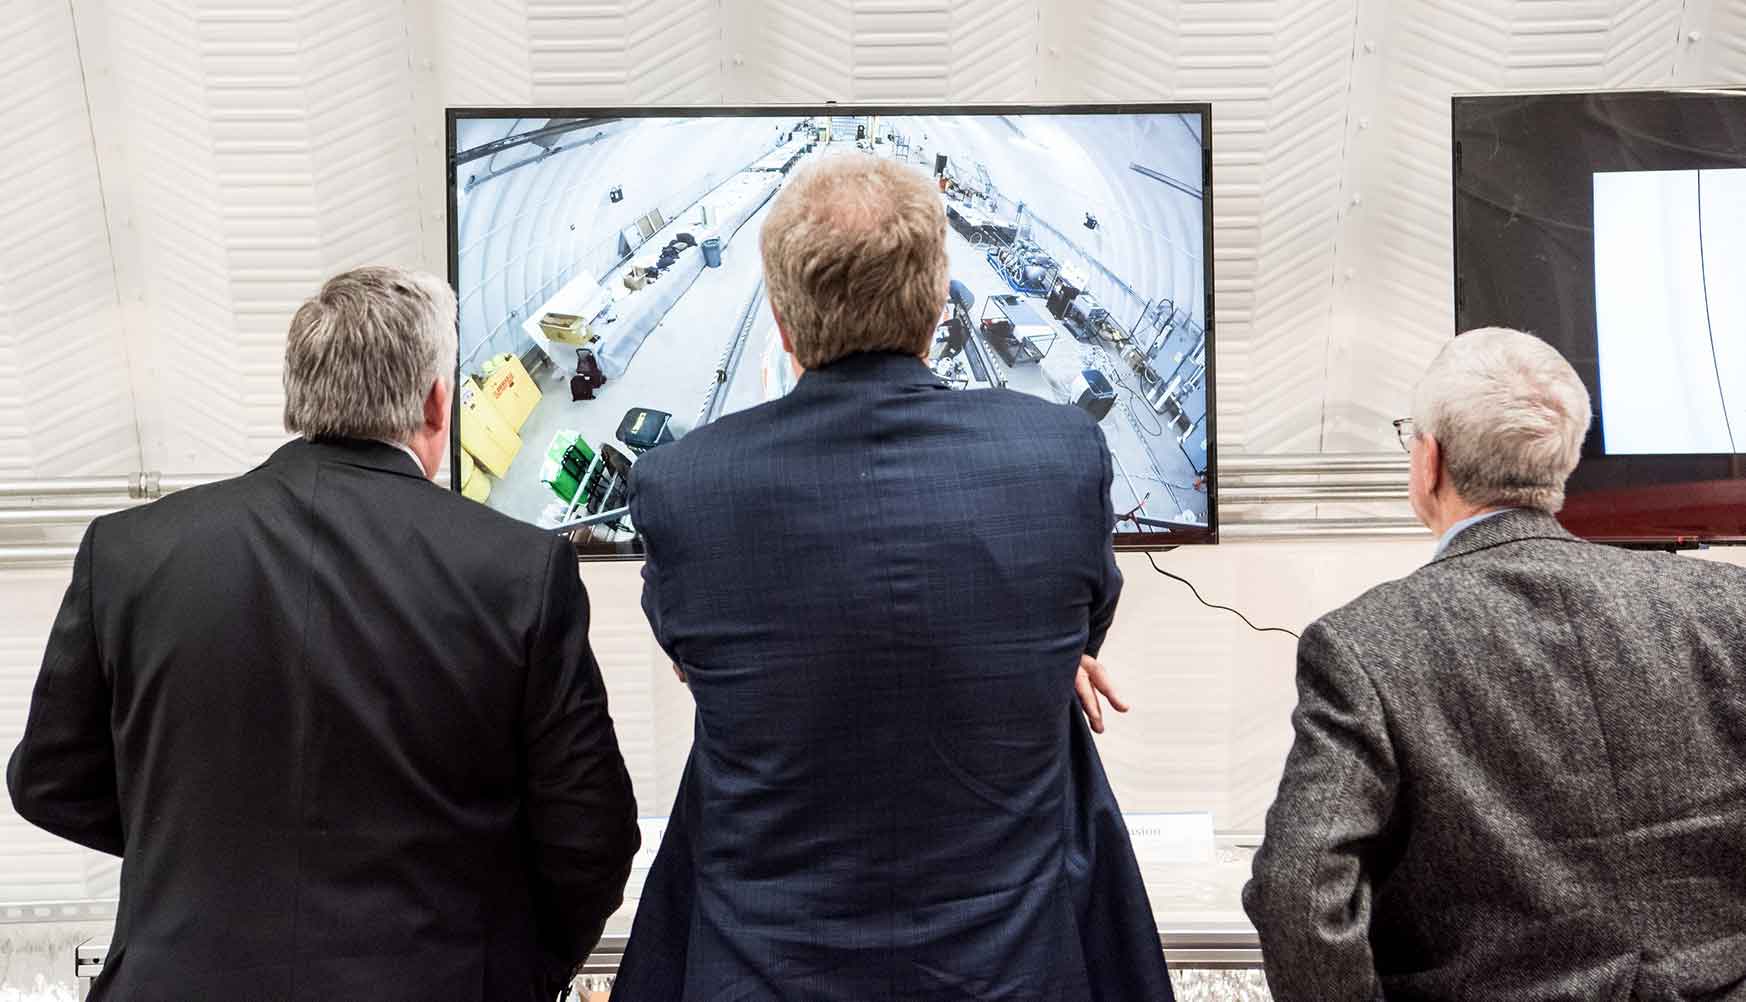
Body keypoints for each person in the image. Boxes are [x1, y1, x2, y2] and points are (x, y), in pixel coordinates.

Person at [613, 154, 1172, 1001]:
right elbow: (1077, 619)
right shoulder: (1059, 457)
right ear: (938, 303)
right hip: (1010, 971)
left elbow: (701, 658)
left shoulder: (684, 487)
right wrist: (1028, 658)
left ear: (782, 321)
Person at [7, 267, 640, 1002]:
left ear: (297, 399)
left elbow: (48, 780)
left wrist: (197, 851)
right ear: (439, 404)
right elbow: (589, 838)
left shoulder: (129, 552)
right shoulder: (521, 570)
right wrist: (514, 969)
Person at [1243, 327, 1746, 1001]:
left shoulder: (1363, 644)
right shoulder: (1727, 605)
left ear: (1429, 460)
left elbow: (1298, 888)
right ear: (1563, 460)